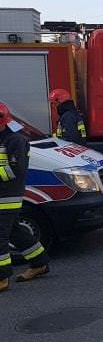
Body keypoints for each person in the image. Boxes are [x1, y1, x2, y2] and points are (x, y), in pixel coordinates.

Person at [0, 102, 50, 293]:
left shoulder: (15, 141)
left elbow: (16, 170)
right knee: (15, 232)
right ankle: (39, 263)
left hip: (7, 196)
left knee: (0, 235)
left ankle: (2, 278)